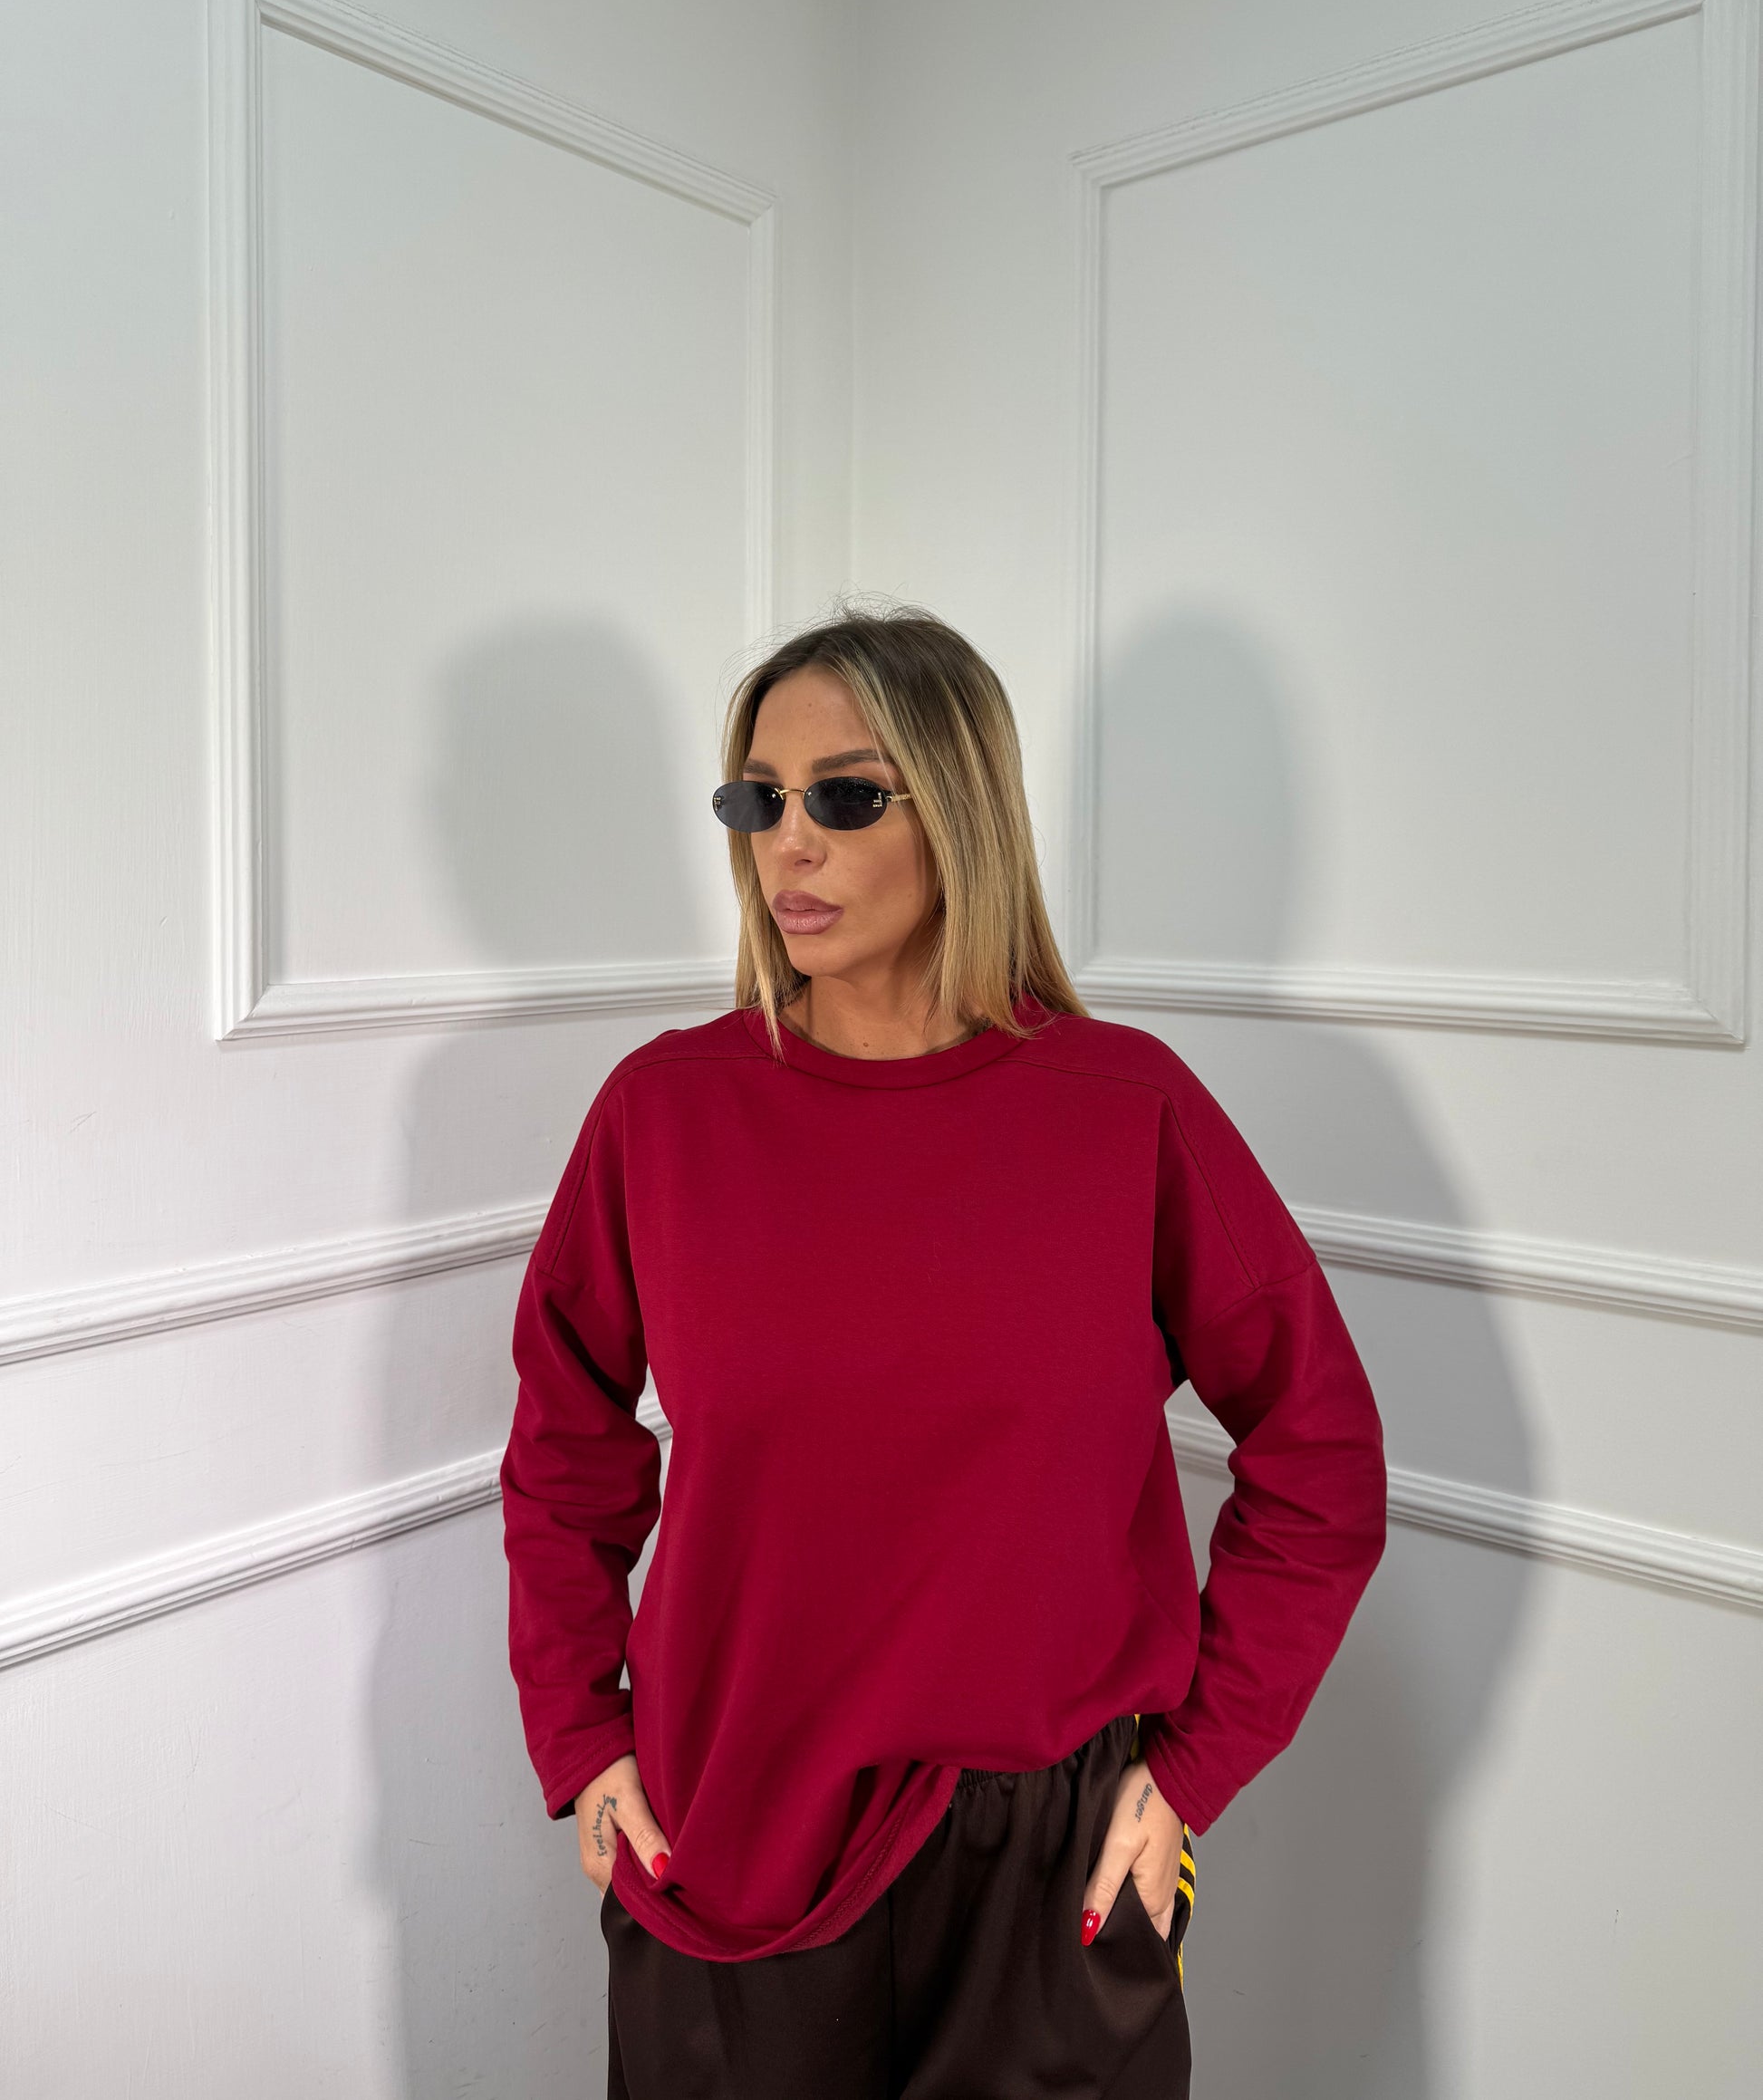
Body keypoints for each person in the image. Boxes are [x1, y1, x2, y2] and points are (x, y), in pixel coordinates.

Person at [500, 601, 1387, 2098]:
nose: (788, 844)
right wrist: (582, 1733)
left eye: (845, 799)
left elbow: (1321, 1457)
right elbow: (562, 1451)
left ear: (960, 809)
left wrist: (1191, 1770)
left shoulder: (1126, 1110)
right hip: (735, 1842)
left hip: (1050, 1864)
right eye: (757, 802)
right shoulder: (665, 1114)